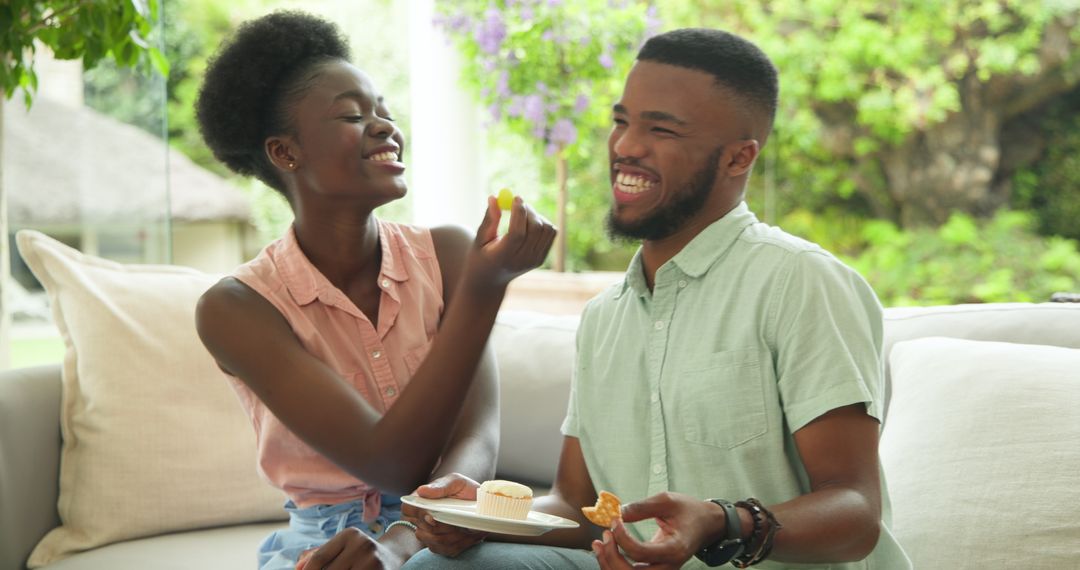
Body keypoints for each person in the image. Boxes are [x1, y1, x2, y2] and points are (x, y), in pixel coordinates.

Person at [402, 28, 911, 569]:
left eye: (661, 130)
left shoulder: (802, 283)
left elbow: (856, 515)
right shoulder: (604, 318)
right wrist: (479, 514)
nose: (625, 147)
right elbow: (576, 506)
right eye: (621, 121)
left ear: (738, 158)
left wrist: (723, 521)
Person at [193, 11, 556, 570]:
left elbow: (477, 433)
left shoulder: (450, 254)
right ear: (285, 153)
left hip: (449, 526)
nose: (385, 126)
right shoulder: (236, 308)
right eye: (353, 116)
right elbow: (387, 462)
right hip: (320, 544)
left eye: (383, 112)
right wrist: (486, 291)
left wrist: (422, 529)